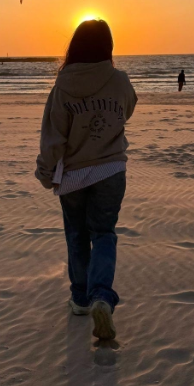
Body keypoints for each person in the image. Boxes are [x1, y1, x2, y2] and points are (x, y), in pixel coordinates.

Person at [35, 19, 137, 340]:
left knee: (77, 235)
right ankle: (101, 297)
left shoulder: (63, 86)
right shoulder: (119, 80)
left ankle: (81, 299)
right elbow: (128, 108)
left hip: (75, 175)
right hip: (110, 171)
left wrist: (45, 171)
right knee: (104, 233)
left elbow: (54, 137)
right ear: (108, 47)